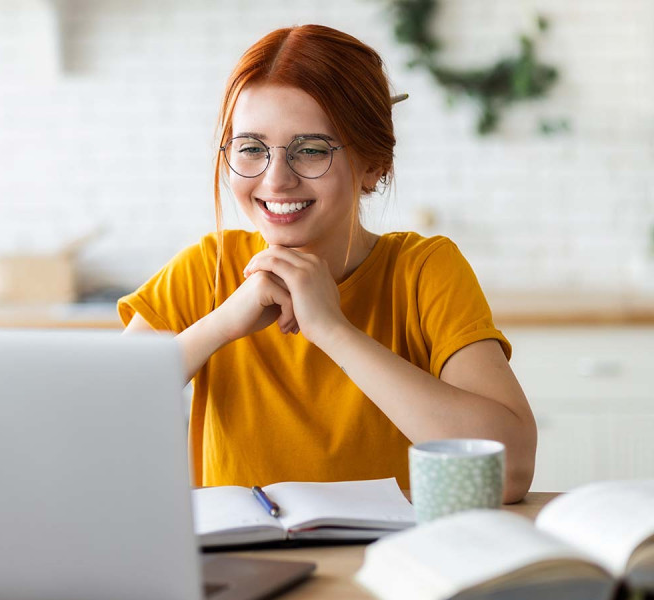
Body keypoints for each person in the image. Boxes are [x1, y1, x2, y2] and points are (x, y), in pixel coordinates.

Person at [119, 24, 537, 503]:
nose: (276, 180)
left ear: (374, 165)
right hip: (248, 571)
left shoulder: (424, 272)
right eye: (251, 148)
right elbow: (92, 420)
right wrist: (221, 324)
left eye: (312, 150)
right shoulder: (204, 270)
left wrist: (333, 330)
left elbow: (509, 471)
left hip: (395, 568)